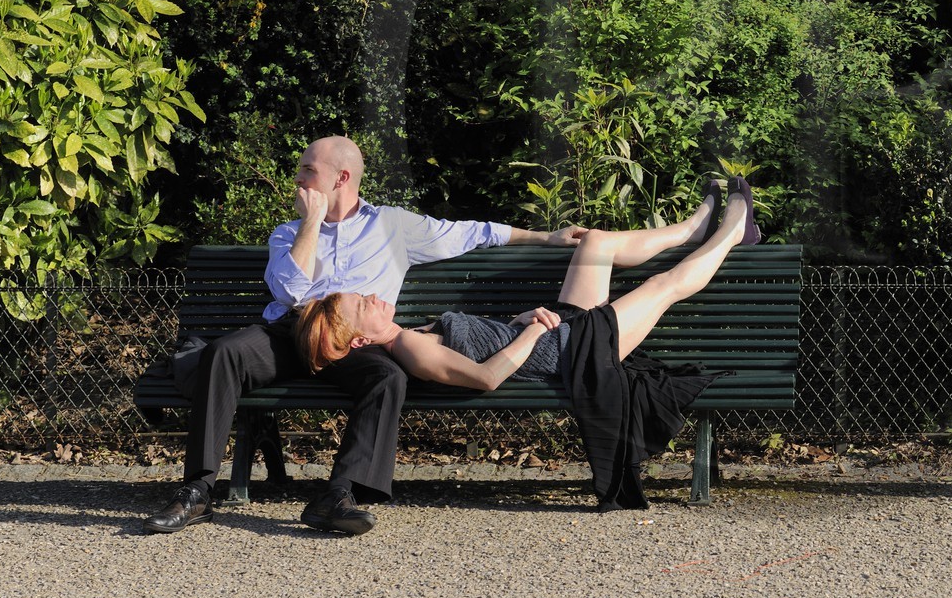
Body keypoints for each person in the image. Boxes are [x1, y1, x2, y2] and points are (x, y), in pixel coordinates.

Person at [141, 135, 586, 536]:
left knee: (388, 378)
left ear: (341, 178)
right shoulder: (287, 233)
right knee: (225, 353)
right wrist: (312, 223)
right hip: (293, 332)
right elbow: (289, 291)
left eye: (308, 169)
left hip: (356, 342)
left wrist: (546, 237)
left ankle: (338, 495)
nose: (298, 178)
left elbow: (470, 233)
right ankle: (197, 492)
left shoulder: (392, 226)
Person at [295, 175, 761, 510]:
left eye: (365, 294)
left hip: (560, 332)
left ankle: (691, 229)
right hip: (572, 351)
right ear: (360, 340)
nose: (374, 297)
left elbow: (481, 341)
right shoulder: (410, 349)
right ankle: (732, 231)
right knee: (664, 285)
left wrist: (518, 322)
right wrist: (535, 330)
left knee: (596, 243)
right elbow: (487, 376)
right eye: (364, 304)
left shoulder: (408, 335)